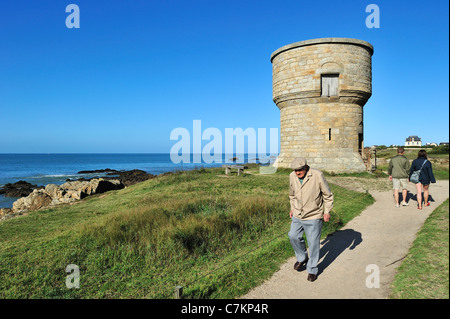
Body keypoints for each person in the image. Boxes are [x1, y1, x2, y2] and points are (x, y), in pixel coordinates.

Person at [288, 157, 334, 282]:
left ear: (306, 167)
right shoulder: (292, 176)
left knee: (313, 243)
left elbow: (327, 195)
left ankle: (312, 269)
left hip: (313, 215)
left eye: (300, 170)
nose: (297, 173)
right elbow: (292, 195)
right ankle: (302, 257)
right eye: (295, 170)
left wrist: (327, 211)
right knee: (293, 235)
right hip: (298, 214)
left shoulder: (317, 175)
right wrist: (292, 208)